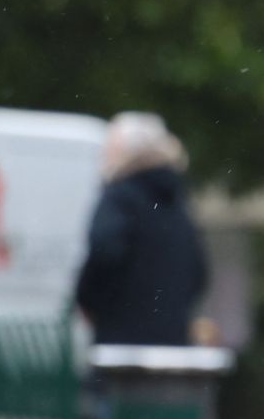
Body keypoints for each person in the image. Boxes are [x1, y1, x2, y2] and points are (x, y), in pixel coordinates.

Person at [75, 111, 209, 345]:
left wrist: (90, 301)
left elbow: (104, 251)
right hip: (171, 345)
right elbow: (199, 273)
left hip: (120, 347)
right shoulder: (179, 204)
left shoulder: (120, 197)